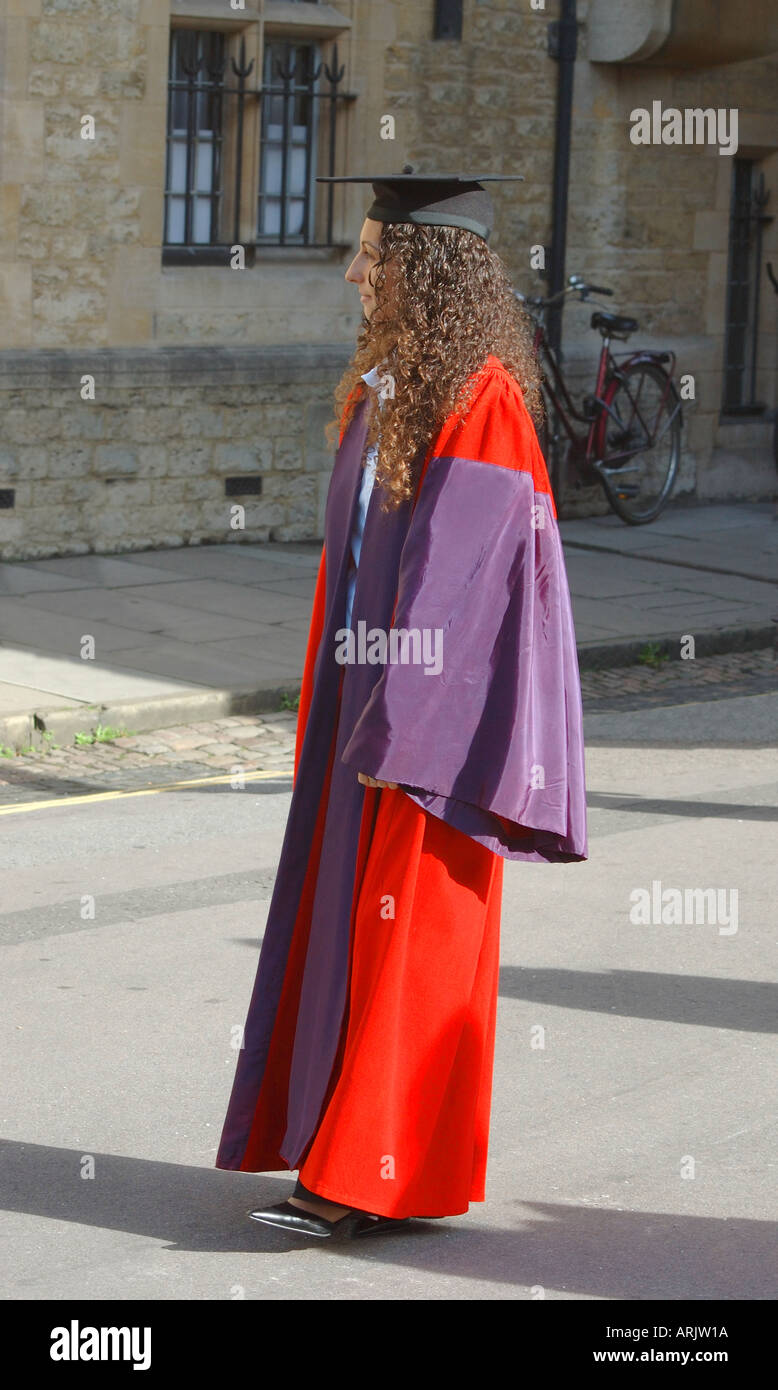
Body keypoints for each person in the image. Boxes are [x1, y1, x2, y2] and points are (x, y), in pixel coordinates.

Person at [214, 171, 588, 1239]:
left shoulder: (484, 403)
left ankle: (360, 1184)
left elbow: (459, 586)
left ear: (423, 272)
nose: (353, 273)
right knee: (348, 938)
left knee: (410, 945)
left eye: (372, 257)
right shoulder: (392, 386)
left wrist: (401, 729)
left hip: (432, 736)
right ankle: (341, 1154)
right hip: (367, 714)